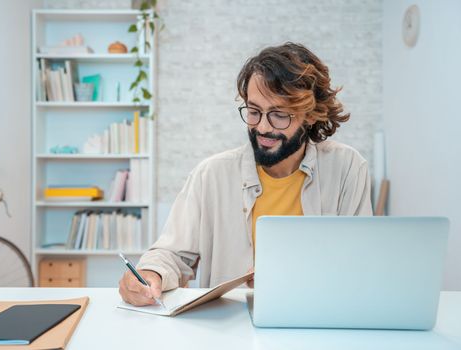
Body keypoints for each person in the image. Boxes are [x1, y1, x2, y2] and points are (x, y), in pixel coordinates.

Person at [119, 42, 373, 306]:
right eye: (254, 112)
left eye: (279, 115)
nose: (262, 127)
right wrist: (150, 274)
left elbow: (359, 263)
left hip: (318, 320)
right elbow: (171, 254)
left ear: (309, 116)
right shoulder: (211, 175)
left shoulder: (347, 168)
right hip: (229, 329)